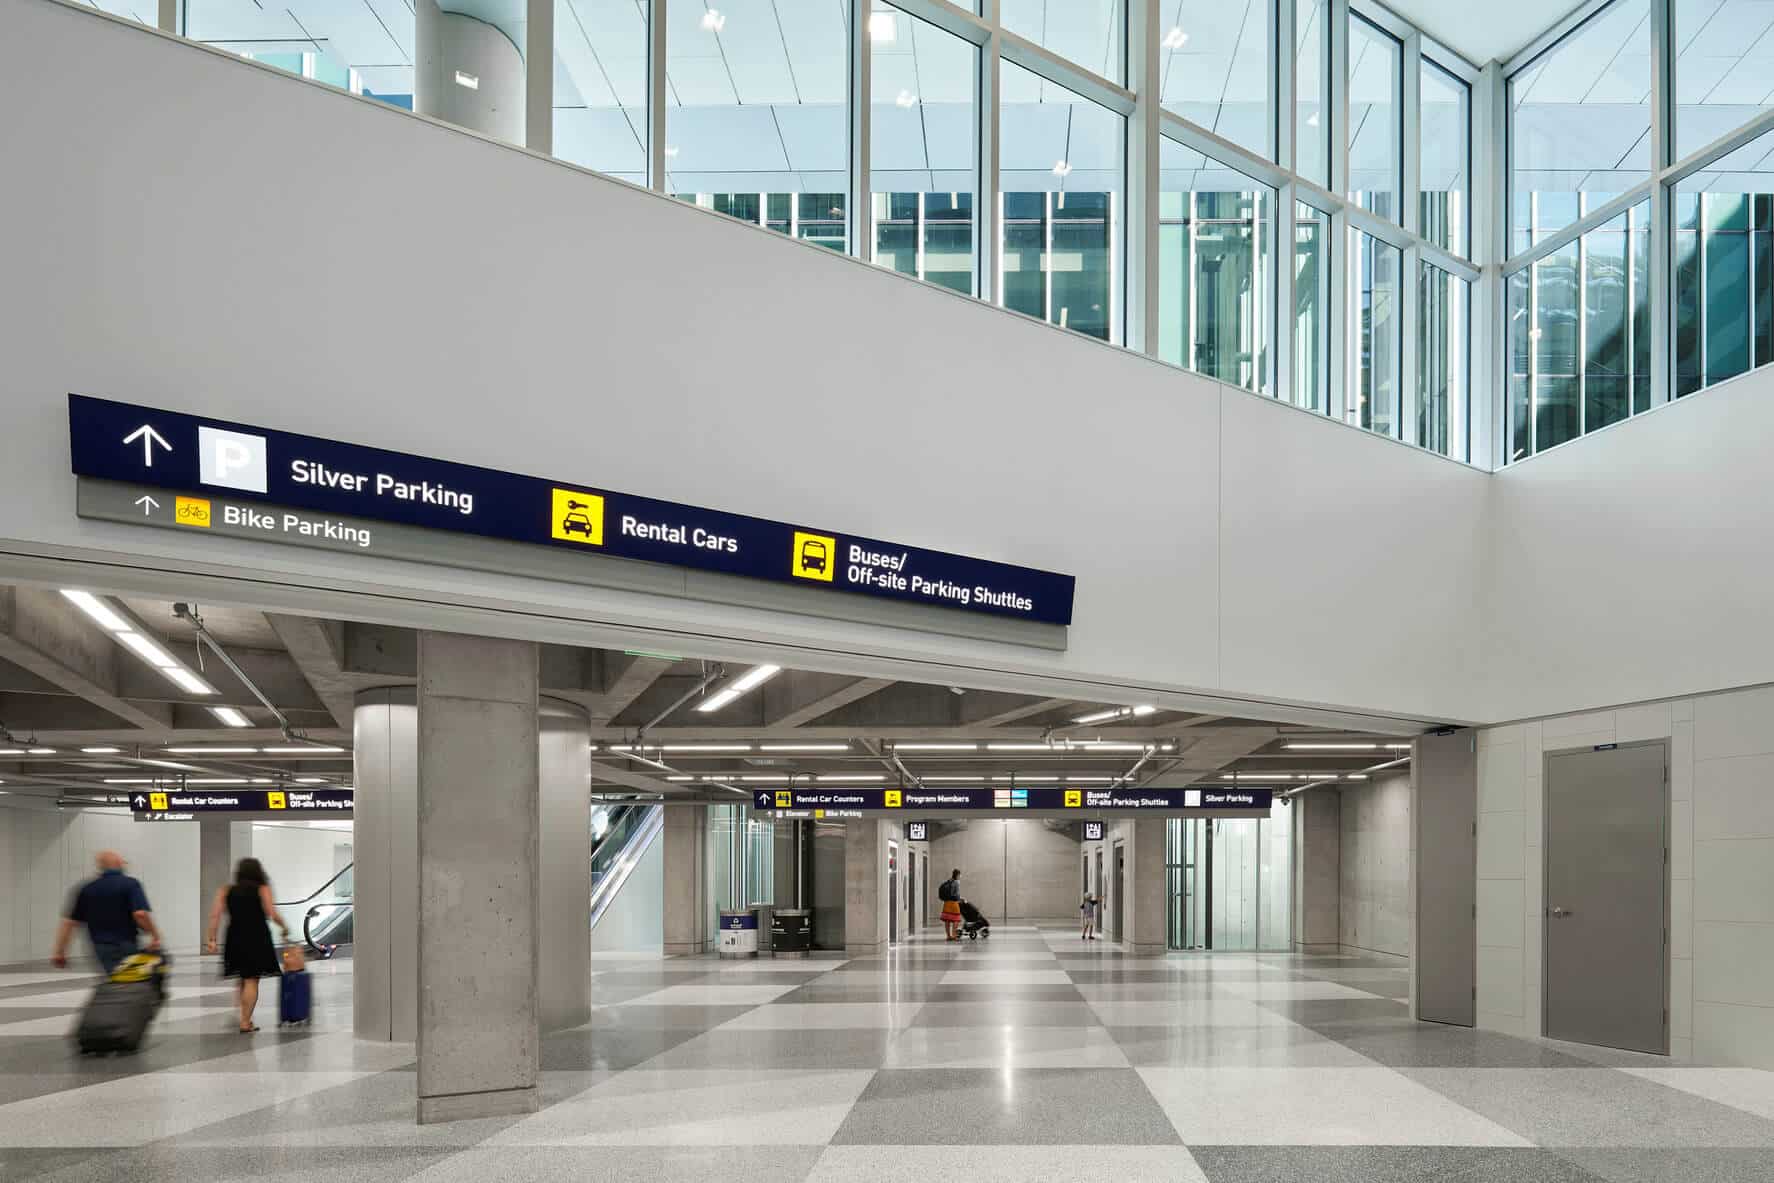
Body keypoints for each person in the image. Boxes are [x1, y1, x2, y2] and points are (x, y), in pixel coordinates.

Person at [205, 858, 289, 1033]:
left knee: (242, 977)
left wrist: (211, 939)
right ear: (258, 872)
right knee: (252, 979)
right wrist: (284, 927)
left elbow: (215, 916)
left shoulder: (225, 890)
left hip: (234, 936)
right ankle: (245, 1021)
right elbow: (272, 913)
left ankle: (243, 1014)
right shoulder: (262, 889)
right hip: (257, 936)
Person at [51, 851, 162, 975]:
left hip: (101, 947)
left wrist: (60, 952)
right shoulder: (131, 884)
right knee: (132, 981)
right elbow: (140, 914)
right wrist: (155, 936)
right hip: (126, 944)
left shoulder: (87, 889)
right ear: (119, 863)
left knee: (114, 980)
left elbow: (69, 923)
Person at [938, 868, 964, 942]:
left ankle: (948, 936)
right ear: (958, 875)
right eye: (960, 875)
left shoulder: (949, 881)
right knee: (956, 919)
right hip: (953, 903)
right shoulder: (956, 882)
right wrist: (960, 899)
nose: (960, 876)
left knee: (947, 920)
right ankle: (954, 936)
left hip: (946, 903)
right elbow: (956, 894)